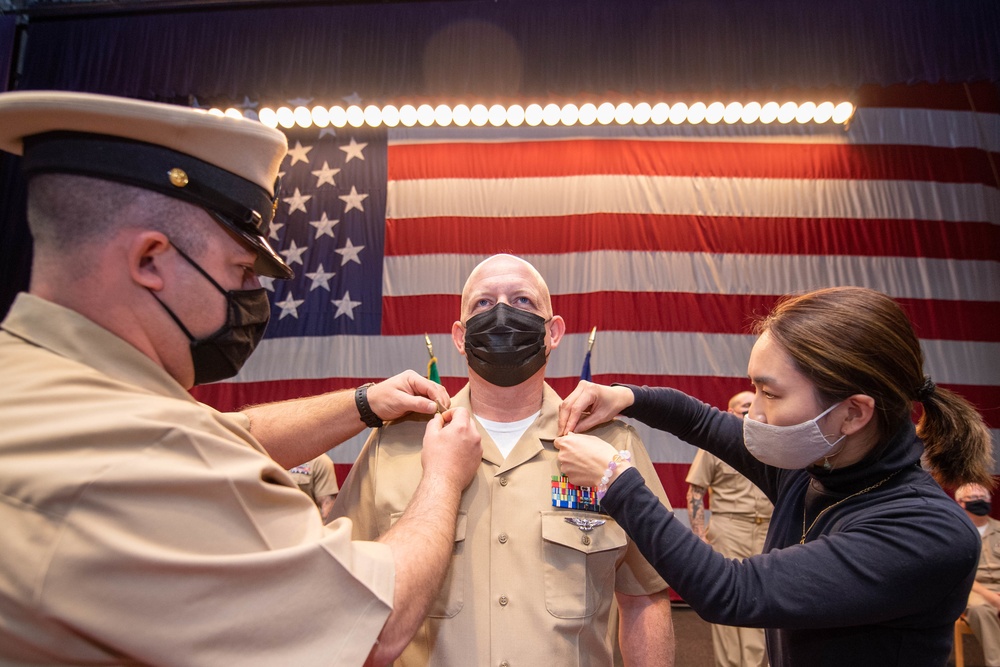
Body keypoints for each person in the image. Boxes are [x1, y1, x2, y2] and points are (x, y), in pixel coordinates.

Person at [0, 90, 483, 666]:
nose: (254, 295)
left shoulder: (47, 387)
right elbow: (374, 625)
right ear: (150, 260)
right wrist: (444, 479)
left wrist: (362, 403)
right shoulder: (150, 449)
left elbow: (230, 431)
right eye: (240, 269)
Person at [554, 286, 995, 667]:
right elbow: (702, 421)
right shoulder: (820, 468)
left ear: (853, 412)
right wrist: (624, 396)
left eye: (771, 393)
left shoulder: (927, 532)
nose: (755, 415)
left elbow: (730, 590)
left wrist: (614, 478)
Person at [331, 253, 675, 666]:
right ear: (459, 336)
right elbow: (343, 593)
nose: (502, 314)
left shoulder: (611, 446)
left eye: (522, 301)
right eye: (483, 303)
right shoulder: (396, 445)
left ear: (554, 332)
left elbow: (643, 599)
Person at [685, 390, 771, 667]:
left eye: (753, 405)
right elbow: (696, 491)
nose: (750, 410)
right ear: (730, 412)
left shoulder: (776, 444)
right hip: (729, 527)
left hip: (769, 530)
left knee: (764, 605)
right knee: (728, 602)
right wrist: (699, 537)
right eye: (743, 406)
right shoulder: (715, 445)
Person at [955, 483, 1000, 667]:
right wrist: (993, 598)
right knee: (980, 610)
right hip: (975, 589)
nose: (980, 501)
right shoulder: (956, 534)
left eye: (983, 497)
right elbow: (960, 575)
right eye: (973, 498)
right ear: (960, 503)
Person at [288, 453, 340, 523]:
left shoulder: (320, 461)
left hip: (304, 528)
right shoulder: (269, 457)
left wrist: (324, 532)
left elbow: (327, 506)